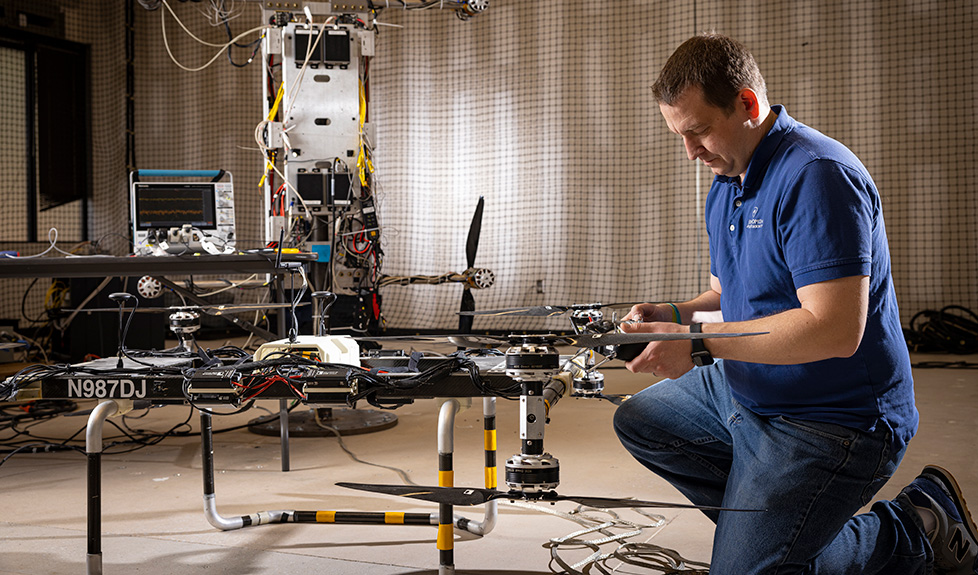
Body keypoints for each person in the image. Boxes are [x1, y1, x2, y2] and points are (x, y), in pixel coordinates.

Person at [613, 33, 977, 575]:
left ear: (748, 105)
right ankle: (775, 528)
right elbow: (725, 296)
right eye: (680, 137)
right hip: (750, 386)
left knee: (747, 571)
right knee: (642, 420)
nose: (690, 152)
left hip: (832, 419)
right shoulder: (728, 178)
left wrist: (698, 345)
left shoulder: (818, 176)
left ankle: (915, 531)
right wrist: (676, 315)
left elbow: (832, 330)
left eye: (699, 131)